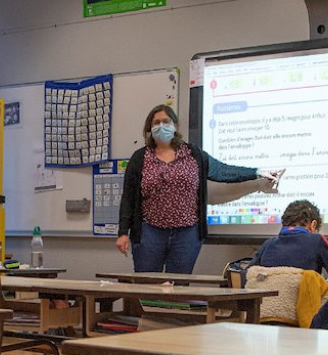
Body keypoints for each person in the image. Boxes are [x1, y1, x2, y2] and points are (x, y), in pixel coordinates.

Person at [116, 104, 277, 273]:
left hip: (186, 234)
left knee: (179, 287)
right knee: (147, 285)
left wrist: (257, 172)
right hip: (149, 232)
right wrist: (122, 233)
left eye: (166, 121)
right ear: (149, 128)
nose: (161, 126)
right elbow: (128, 197)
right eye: (156, 123)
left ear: (175, 126)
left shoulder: (193, 154)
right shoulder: (139, 158)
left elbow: (223, 171)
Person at [250, 200, 328, 282]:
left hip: (269, 305)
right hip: (304, 304)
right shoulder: (317, 241)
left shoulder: (268, 244)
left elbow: (248, 275)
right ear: (313, 225)